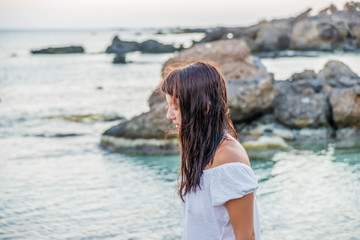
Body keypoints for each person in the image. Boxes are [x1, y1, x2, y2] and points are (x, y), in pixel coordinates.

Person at [160, 61, 261, 240]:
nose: (169, 115)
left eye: (176, 107)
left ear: (204, 107)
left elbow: (247, 236)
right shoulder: (202, 149)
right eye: (169, 107)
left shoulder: (228, 161)